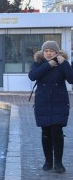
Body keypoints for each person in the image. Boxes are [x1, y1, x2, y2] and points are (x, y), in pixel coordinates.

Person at [28, 40, 73, 173]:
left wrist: (63, 62)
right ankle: (48, 161)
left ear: (56, 52)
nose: (48, 53)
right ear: (43, 52)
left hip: (59, 102)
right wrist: (48, 65)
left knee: (57, 132)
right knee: (46, 132)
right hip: (43, 102)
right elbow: (32, 76)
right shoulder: (38, 63)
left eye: (51, 51)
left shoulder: (63, 64)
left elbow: (71, 79)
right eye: (46, 51)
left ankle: (58, 163)